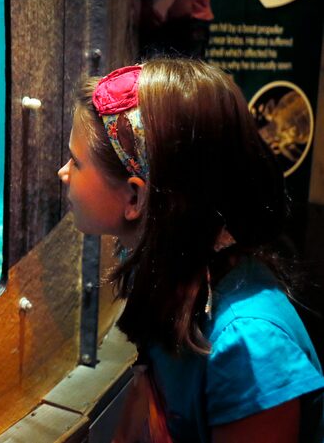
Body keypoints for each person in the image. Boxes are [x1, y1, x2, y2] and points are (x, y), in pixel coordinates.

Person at [57, 59, 324, 442]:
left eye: (77, 162)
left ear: (135, 195)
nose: (63, 172)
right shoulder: (172, 273)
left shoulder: (249, 348)